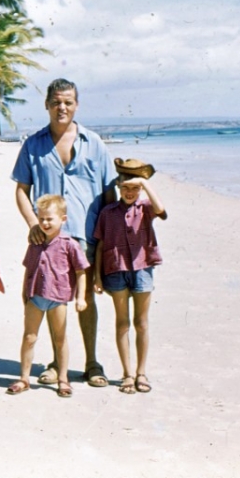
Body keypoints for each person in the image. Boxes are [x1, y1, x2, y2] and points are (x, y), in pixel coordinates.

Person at [11, 78, 118, 388]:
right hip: (47, 239)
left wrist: (106, 240)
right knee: (49, 298)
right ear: (46, 104)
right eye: (56, 102)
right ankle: (58, 363)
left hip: (86, 236)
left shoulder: (94, 143)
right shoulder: (33, 144)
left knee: (85, 299)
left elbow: (110, 194)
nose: (62, 107)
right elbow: (21, 190)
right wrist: (33, 223)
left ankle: (92, 362)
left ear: (77, 105)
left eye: (68, 102)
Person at [93, 158, 167, 394]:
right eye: (125, 187)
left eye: (134, 188)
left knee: (141, 323)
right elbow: (100, 244)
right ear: (118, 187)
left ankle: (141, 372)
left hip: (142, 268)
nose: (129, 192)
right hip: (115, 270)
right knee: (122, 322)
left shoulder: (145, 208)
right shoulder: (107, 212)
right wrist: (97, 276)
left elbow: (162, 211)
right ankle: (127, 373)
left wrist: (144, 184)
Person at [6, 195, 89, 398]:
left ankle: (63, 378)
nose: (44, 223)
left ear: (63, 219)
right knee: (29, 337)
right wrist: (24, 291)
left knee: (60, 338)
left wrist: (81, 298)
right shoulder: (35, 243)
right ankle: (24, 378)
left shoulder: (70, 244)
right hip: (36, 296)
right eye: (41, 218)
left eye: (49, 219)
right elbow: (29, 268)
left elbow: (81, 271)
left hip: (58, 297)